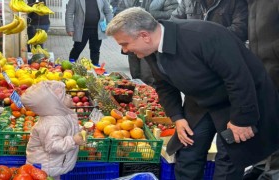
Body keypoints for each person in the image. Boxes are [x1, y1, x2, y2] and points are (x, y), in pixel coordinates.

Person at [106, 7, 279, 180]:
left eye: (124, 44)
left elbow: (239, 78)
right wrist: (177, 117)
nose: (125, 51)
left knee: (229, 160)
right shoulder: (151, 49)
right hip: (201, 100)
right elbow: (164, 86)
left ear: (144, 35)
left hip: (237, 99)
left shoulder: (204, 36)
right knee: (188, 151)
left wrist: (242, 120)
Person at [242, 1, 279, 179]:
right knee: (264, 118)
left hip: (275, 66)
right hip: (261, 67)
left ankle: (274, 170)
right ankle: (261, 164)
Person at [20, 81, 85, 180]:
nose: (70, 96)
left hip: (52, 163)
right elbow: (53, 145)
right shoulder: (53, 123)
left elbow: (68, 129)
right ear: (56, 103)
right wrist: (73, 140)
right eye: (65, 95)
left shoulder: (61, 116)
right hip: (44, 167)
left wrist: (80, 130)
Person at [116, 0, 178, 86]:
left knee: (147, 76)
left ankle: (150, 97)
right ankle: (138, 96)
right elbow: (122, 11)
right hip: (132, 39)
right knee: (135, 74)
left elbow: (172, 14)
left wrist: (147, 14)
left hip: (149, 42)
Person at [171, 0, 248, 42]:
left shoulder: (235, 1)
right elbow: (174, 23)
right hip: (193, 54)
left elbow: (240, 29)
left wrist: (210, 39)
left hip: (223, 53)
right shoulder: (188, 1)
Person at [65, 0, 113, 65]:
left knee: (95, 50)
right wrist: (70, 28)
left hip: (97, 29)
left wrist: (110, 25)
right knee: (77, 48)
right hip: (81, 29)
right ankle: (70, 64)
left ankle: (95, 67)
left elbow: (108, 12)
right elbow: (69, 13)